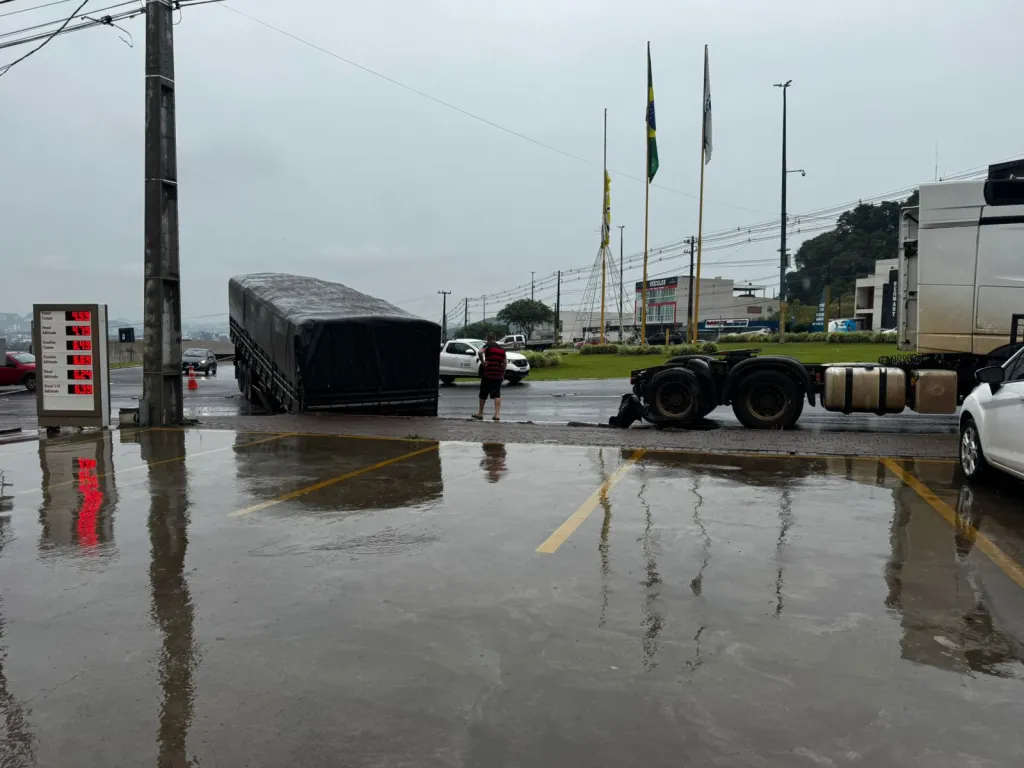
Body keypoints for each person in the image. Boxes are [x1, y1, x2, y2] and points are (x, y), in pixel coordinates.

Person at [472, 332, 506, 421]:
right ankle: (497, 414)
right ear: (495, 338)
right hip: (498, 374)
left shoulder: (488, 345)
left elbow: (480, 352)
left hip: (488, 373)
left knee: (483, 394)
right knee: (497, 394)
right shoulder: (502, 349)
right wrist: (502, 373)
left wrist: (482, 361)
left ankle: (480, 413)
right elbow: (505, 362)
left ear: (487, 338)